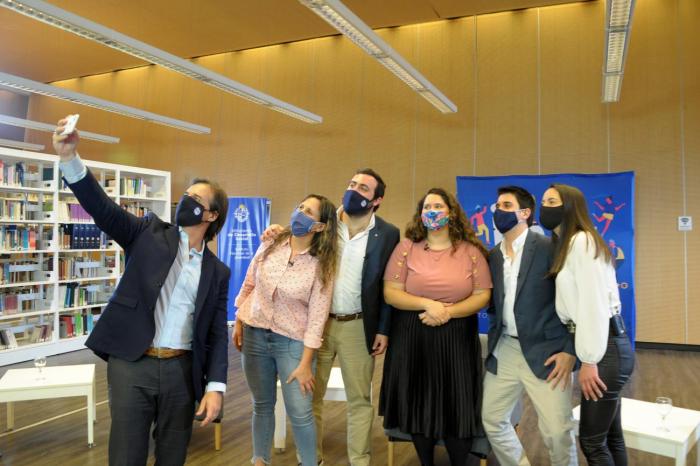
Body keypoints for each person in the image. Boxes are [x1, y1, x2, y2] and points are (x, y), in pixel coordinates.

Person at [52, 117, 230, 466]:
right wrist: (70, 158)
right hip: (133, 364)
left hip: (182, 371)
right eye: (186, 195)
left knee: (172, 456)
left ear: (210, 215)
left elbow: (216, 335)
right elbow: (102, 209)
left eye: (195, 198)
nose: (185, 200)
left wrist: (216, 387)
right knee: (126, 456)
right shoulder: (147, 232)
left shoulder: (217, 272)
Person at [263, 169, 400, 466]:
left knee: (359, 401)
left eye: (363, 188)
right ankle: (312, 459)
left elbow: (388, 287)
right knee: (310, 397)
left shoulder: (388, 234)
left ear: (376, 200)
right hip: (317, 325)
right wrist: (276, 230)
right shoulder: (325, 225)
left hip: (359, 326)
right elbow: (294, 239)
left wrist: (384, 329)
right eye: (351, 183)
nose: (353, 190)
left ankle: (359, 460)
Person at [380, 188, 492, 466]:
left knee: (458, 403)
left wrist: (446, 312)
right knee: (419, 402)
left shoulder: (471, 251)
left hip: (457, 335)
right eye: (426, 206)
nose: (432, 211)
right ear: (420, 215)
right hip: (413, 332)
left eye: (438, 206)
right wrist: (427, 304)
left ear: (451, 213)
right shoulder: (406, 248)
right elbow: (391, 293)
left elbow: (482, 295)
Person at [233, 194, 338, 466]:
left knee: (300, 412)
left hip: (292, 343)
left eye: (309, 211)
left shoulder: (322, 265)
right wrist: (240, 319)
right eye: (300, 206)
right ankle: (260, 460)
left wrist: (306, 364)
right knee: (262, 405)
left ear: (321, 226)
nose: (300, 213)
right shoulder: (272, 242)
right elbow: (249, 282)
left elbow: (317, 317)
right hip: (255, 334)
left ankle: (310, 462)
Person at [481, 186, 578, 466]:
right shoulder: (493, 256)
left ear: (524, 213)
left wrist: (570, 350)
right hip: (506, 349)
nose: (499, 210)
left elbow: (576, 302)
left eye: (506, 205)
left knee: (558, 432)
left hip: (548, 352)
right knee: (492, 419)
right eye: (497, 205)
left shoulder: (550, 248)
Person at [540, 184, 634, 466]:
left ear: (570, 207)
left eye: (552, 201)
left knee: (592, 442)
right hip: (607, 347)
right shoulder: (567, 245)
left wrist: (590, 361)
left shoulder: (582, 242)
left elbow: (593, 306)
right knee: (610, 437)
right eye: (543, 201)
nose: (545, 206)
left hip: (605, 351)